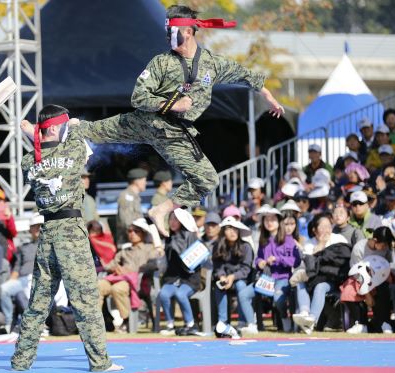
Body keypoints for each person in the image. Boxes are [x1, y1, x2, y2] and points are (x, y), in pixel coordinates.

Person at [75, 5, 284, 238]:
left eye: (170, 31)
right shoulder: (162, 62)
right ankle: (55, 130)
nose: (167, 37)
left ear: (187, 32)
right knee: (91, 131)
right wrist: (173, 104)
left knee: (207, 180)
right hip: (145, 121)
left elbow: (246, 75)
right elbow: (138, 97)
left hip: (173, 133)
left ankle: (161, 210)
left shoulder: (211, 64)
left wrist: (269, 97)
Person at [15, 105, 122, 372]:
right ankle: (100, 363)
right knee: (85, 300)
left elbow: (45, 151)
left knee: (38, 303)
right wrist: (73, 125)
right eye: (62, 125)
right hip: (71, 231)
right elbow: (74, 143)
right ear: (53, 127)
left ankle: (20, 361)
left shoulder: (29, 161)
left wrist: (32, 133)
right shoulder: (73, 149)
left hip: (48, 232)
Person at [98, 218, 160, 333]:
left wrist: (130, 271)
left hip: (138, 281)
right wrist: (114, 268)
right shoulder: (124, 251)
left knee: (118, 288)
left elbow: (155, 264)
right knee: (98, 286)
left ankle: (127, 320)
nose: (132, 234)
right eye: (130, 231)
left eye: (136, 231)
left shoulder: (150, 249)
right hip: (120, 278)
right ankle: (95, 322)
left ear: (143, 233)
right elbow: (109, 265)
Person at [292, 213, 350, 334]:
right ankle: (304, 312)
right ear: (314, 229)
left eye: (328, 226)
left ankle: (312, 319)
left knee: (320, 286)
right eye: (322, 227)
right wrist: (320, 245)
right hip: (311, 279)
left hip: (332, 279)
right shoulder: (309, 244)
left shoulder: (338, 239)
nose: (326, 230)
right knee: (300, 283)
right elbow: (308, 267)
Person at [253, 208, 300, 332]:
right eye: (266, 220)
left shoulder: (288, 239)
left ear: (279, 222)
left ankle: (285, 319)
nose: (269, 222)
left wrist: (278, 259)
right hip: (266, 278)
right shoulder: (263, 240)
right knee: (246, 294)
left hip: (283, 277)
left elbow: (295, 260)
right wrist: (260, 263)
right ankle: (251, 325)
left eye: (273, 220)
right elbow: (258, 258)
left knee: (278, 297)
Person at [158, 208, 201, 336]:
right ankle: (170, 325)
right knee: (164, 294)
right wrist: (160, 255)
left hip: (190, 277)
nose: (172, 222)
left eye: (176, 219)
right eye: (171, 218)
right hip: (172, 277)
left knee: (180, 294)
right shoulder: (168, 238)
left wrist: (174, 246)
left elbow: (193, 259)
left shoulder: (191, 235)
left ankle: (191, 324)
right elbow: (165, 263)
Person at [345, 227, 395, 333]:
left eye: (386, 245)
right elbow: (356, 274)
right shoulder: (359, 248)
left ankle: (384, 323)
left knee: (384, 289)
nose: (384, 248)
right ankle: (361, 323)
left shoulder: (385, 249)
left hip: (378, 279)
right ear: (375, 240)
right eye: (383, 245)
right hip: (359, 280)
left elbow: (387, 266)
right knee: (349, 290)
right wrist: (367, 295)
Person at [212, 217, 255, 336]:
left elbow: (246, 269)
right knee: (219, 286)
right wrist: (221, 277)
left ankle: (242, 321)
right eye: (229, 229)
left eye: (235, 229)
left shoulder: (246, 246)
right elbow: (217, 266)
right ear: (223, 232)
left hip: (241, 279)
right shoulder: (217, 246)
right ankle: (223, 323)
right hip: (225, 279)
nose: (233, 232)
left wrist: (232, 277)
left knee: (241, 286)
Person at [0, 213, 43, 332]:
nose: (38, 228)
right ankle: (9, 323)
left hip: (43, 280)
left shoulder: (52, 246)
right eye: (35, 226)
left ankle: (43, 323)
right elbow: (17, 267)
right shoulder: (23, 247)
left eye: (41, 225)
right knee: (3, 290)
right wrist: (12, 279)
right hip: (23, 279)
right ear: (30, 229)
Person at [116, 168, 147, 246]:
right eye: (144, 180)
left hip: (135, 242)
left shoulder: (134, 197)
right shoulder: (126, 196)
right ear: (137, 181)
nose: (145, 183)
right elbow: (126, 222)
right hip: (128, 244)